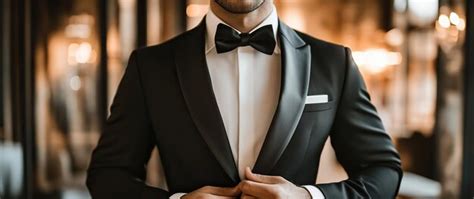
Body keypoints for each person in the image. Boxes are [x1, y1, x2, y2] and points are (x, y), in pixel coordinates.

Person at [86, 0, 402, 198]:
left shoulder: (333, 63)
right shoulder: (151, 67)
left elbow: (382, 171)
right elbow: (107, 175)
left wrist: (307, 198)